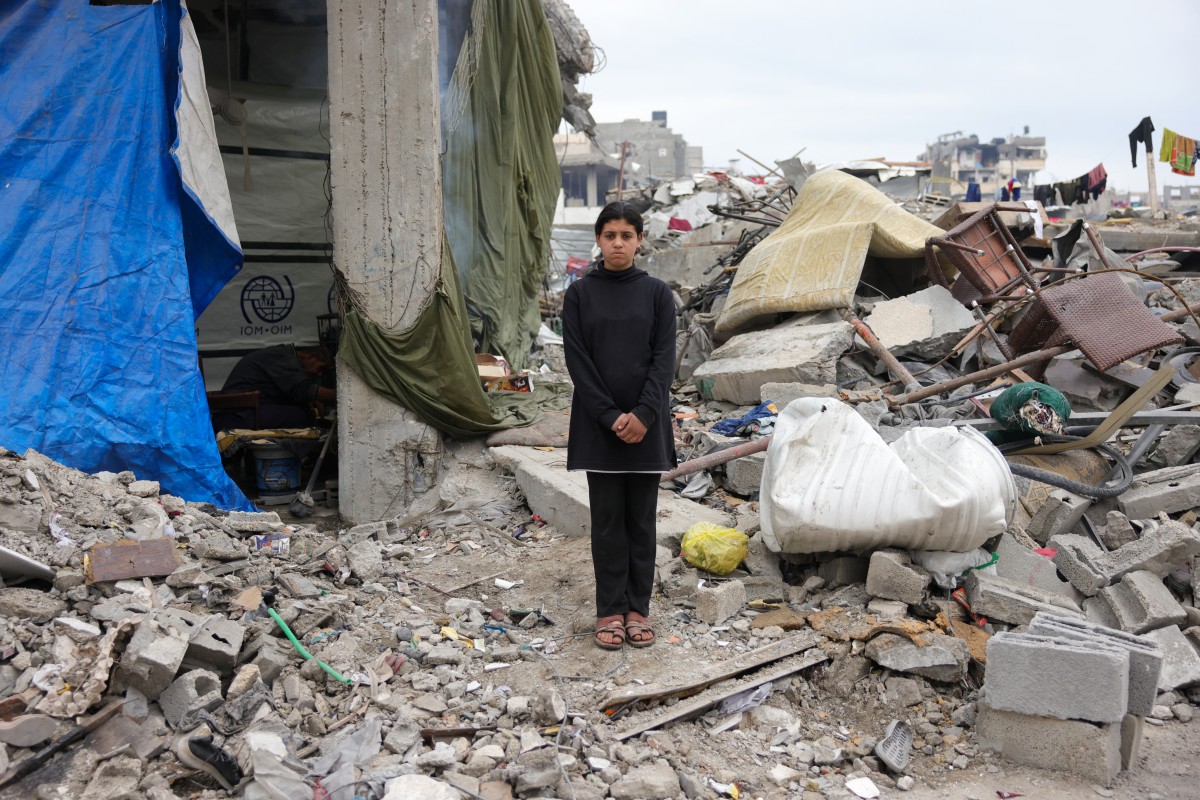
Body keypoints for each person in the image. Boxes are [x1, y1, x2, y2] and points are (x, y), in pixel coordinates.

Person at [563, 201, 677, 650]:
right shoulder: (579, 295)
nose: (617, 243)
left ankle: (638, 610)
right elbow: (578, 362)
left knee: (641, 522)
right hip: (600, 429)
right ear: (598, 239)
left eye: (626, 236)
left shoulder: (657, 294)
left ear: (639, 240)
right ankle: (610, 609)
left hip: (647, 428)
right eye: (610, 235)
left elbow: (663, 361)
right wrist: (610, 416)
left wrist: (644, 415)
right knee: (608, 522)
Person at [214, 344, 335, 430]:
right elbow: (304, 389)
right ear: (311, 357)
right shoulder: (283, 357)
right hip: (236, 416)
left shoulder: (283, 355)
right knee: (299, 415)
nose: (320, 374)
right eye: (321, 368)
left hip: (241, 412)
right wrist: (340, 395)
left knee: (305, 412)